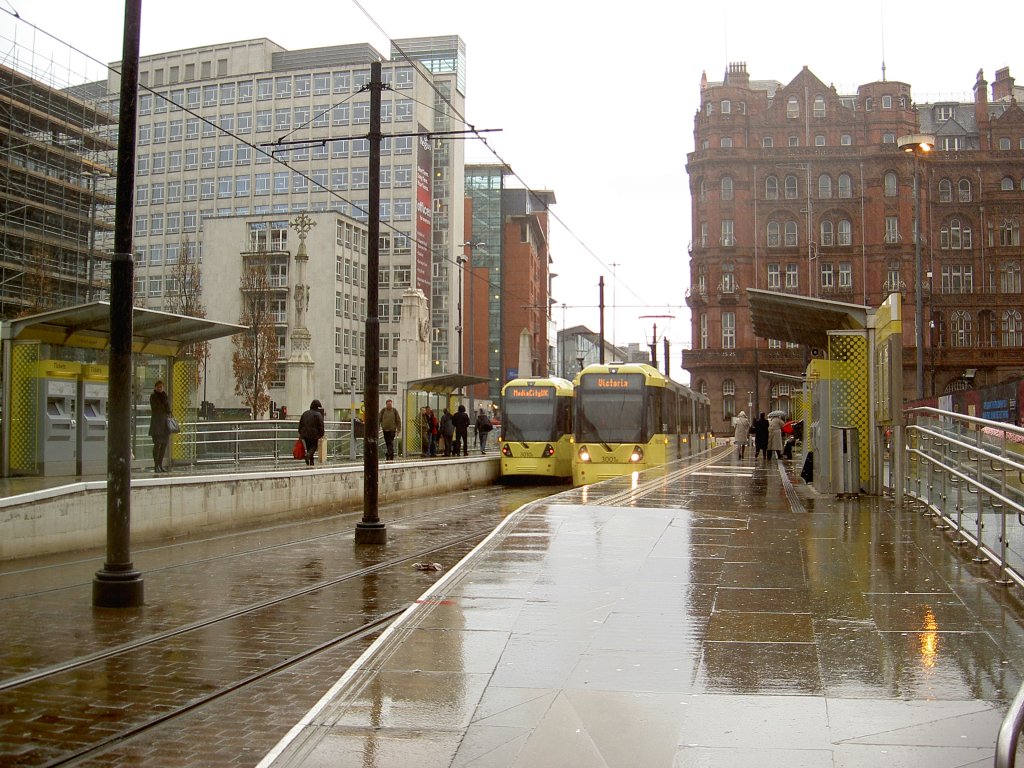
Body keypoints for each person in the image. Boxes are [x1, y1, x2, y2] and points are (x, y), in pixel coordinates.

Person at [148, 380, 171, 473]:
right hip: (157, 423)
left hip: (165, 424)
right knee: (157, 444)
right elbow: (156, 407)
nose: (160, 388)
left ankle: (160, 464)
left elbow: (168, 409)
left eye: (161, 387)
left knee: (164, 444)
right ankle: (156, 465)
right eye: (158, 387)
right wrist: (163, 404)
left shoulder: (165, 396)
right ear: (155, 387)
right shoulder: (153, 396)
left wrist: (165, 403)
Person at [298, 399, 325, 466]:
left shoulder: (305, 413)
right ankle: (308, 456)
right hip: (314, 434)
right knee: (314, 447)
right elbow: (321, 425)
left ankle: (311, 462)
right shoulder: (318, 415)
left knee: (308, 447)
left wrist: (300, 432)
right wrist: (321, 434)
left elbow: (300, 424)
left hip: (305, 434)